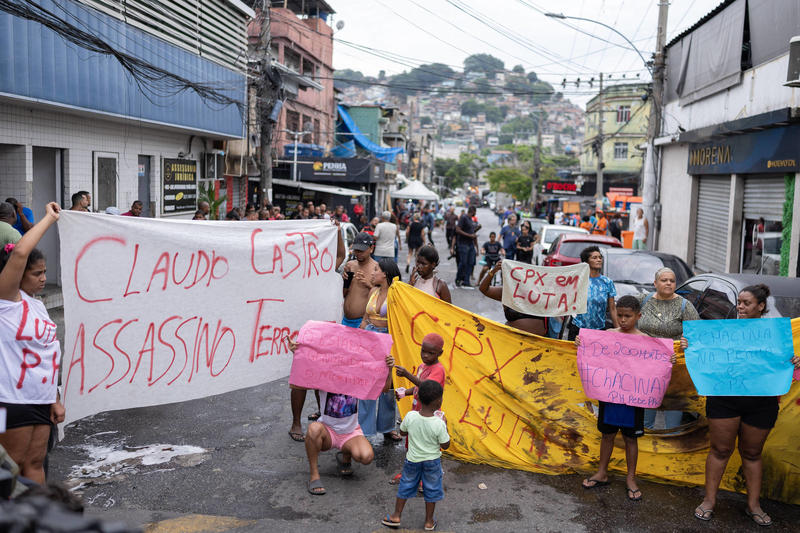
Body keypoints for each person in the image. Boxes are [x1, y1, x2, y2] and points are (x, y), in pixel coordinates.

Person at [691, 284, 800, 526]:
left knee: (752, 453)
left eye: (746, 303)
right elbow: (703, 352)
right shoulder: (723, 330)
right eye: (738, 302)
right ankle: (709, 501)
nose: (740, 306)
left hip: (761, 403)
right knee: (720, 450)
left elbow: (786, 362)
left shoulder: (777, 333)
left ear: (761, 306)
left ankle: (753, 505)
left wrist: (795, 360)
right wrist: (691, 347)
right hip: (724, 399)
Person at [576, 296, 676, 501]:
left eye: (628, 316)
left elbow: (657, 362)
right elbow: (594, 355)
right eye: (619, 315)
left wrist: (669, 357)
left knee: (631, 438)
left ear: (638, 316)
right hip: (610, 397)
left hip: (634, 400)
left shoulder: (646, 340)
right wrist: (581, 343)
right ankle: (602, 472)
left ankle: (631, 478)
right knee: (607, 434)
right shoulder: (607, 335)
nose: (622, 320)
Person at [0, 202, 66, 484]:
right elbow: (21, 253)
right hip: (10, 402)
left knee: (35, 464)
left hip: (40, 399)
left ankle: (37, 521)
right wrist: (49, 219)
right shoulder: (6, 302)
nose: (44, 279)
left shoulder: (38, 307)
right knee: (9, 471)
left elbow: (48, 356)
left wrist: (55, 398)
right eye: (36, 274)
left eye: (44, 272)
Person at [287, 338, 394, 496]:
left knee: (366, 456)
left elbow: (384, 390)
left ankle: (345, 455)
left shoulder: (359, 376)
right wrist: (297, 355)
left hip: (351, 432)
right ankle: (314, 475)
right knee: (313, 429)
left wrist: (388, 368)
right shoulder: (323, 374)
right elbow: (298, 383)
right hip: (328, 432)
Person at [287, 222, 347, 442]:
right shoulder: (292, 275)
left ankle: (323, 416)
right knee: (301, 379)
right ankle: (296, 422)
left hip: (326, 332)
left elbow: (341, 253)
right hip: (304, 332)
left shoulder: (325, 268)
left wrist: (338, 231)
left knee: (323, 378)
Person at [381, 380, 450, 531]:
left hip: (412, 460)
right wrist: (445, 425)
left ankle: (396, 516)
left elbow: (403, 432)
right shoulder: (438, 423)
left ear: (417, 397)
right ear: (439, 402)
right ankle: (429, 522)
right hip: (432, 462)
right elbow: (445, 445)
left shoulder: (411, 416)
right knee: (431, 489)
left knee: (405, 485)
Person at [637, 267, 700, 430]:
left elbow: (698, 335)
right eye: (664, 280)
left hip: (675, 367)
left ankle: (671, 440)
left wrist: (689, 342)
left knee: (673, 411)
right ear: (655, 283)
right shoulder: (643, 300)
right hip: (647, 366)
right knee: (646, 414)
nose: (668, 283)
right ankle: (646, 446)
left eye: (672, 281)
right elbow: (624, 318)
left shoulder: (685, 306)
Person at [358, 258, 402, 442]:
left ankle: (387, 427)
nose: (373, 273)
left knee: (387, 385)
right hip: (369, 338)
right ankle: (364, 429)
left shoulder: (397, 294)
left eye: (376, 270)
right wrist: (359, 339)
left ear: (385, 274)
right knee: (366, 384)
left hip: (388, 340)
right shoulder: (373, 291)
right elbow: (365, 318)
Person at [479, 260, 548, 336]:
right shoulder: (507, 291)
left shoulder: (541, 292)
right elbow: (484, 289)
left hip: (540, 342)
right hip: (513, 341)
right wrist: (493, 271)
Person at [567, 246, 618, 341]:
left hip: (599, 331)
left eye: (600, 257)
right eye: (594, 258)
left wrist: (618, 331)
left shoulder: (607, 282)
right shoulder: (577, 280)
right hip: (578, 330)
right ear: (586, 262)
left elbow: (612, 308)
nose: (599, 260)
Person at [455, 206, 479, 288]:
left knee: (471, 262)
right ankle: (458, 279)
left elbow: (470, 231)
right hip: (463, 244)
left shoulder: (470, 219)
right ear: (472, 211)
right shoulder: (464, 217)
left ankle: (466, 281)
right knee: (463, 262)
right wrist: (469, 235)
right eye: (475, 212)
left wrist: (475, 231)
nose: (475, 213)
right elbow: (457, 229)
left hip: (470, 244)